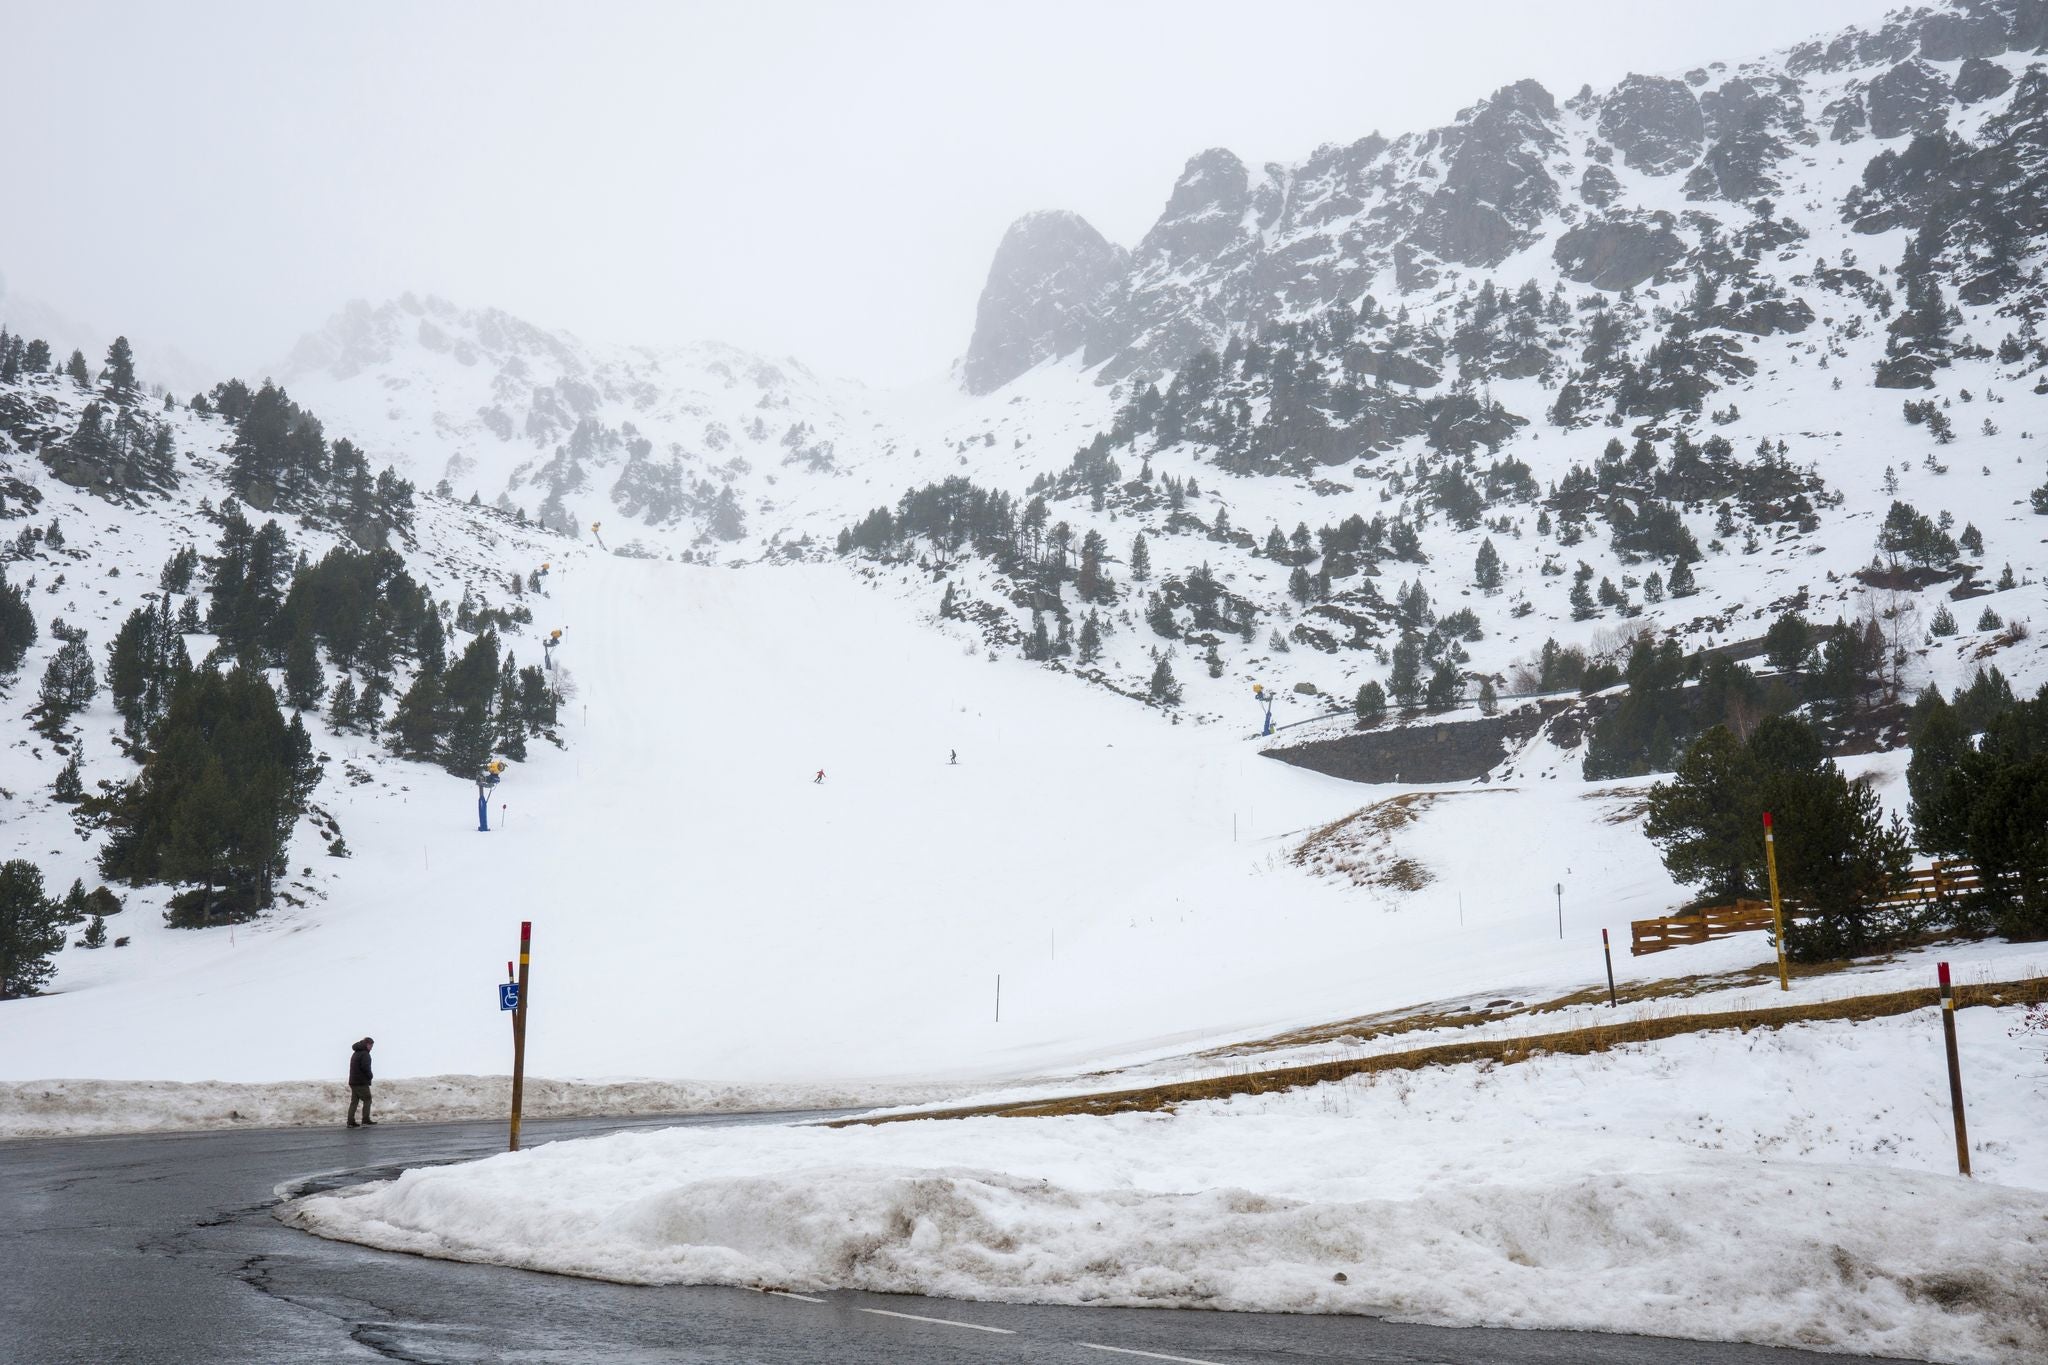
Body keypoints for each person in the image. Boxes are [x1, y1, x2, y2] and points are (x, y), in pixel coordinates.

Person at [347, 1037, 376, 1127]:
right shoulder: (365, 1054)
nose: (371, 1048)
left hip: (353, 1081)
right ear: (367, 1044)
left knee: (354, 1102)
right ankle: (365, 1120)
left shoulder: (356, 1053)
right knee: (368, 1099)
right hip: (361, 1082)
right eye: (371, 1045)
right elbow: (365, 1067)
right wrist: (370, 1076)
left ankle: (350, 1121)